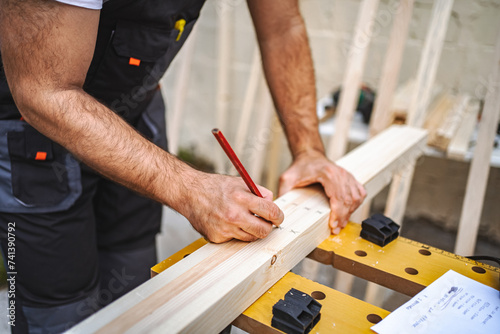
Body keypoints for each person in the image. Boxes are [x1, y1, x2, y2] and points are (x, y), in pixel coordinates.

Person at [0, 0, 366, 332]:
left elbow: (282, 27)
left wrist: (309, 150)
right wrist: (189, 187)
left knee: (138, 295)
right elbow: (44, 91)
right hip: (30, 135)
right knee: (59, 315)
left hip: (133, 120)